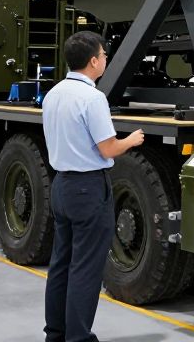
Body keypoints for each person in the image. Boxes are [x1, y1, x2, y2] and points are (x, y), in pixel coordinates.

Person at [43, 31, 145, 342]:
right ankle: (79, 337)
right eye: (103, 55)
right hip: (88, 189)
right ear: (92, 61)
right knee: (86, 268)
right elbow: (108, 149)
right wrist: (132, 140)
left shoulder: (53, 94)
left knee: (61, 264)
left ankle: (56, 334)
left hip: (62, 185)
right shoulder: (93, 98)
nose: (105, 60)